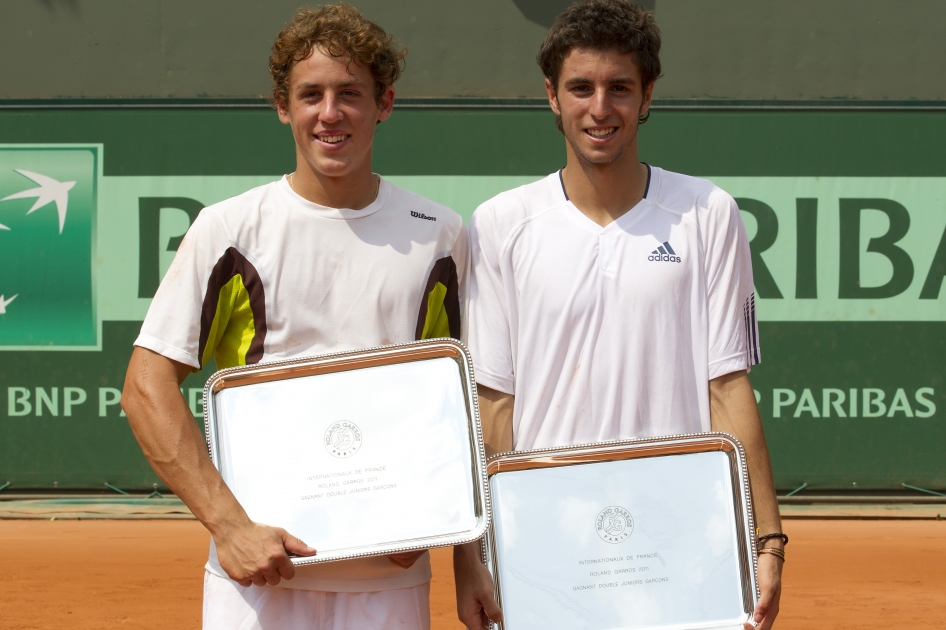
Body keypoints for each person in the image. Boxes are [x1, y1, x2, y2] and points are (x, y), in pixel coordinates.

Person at [121, 5, 467, 629]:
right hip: (261, 577)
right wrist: (230, 527)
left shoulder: (440, 234)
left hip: (391, 581)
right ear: (284, 106)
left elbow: (464, 403)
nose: (330, 114)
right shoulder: (229, 229)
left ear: (385, 103)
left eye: (350, 94)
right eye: (311, 95)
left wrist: (446, 524)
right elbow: (146, 385)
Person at [454, 1, 783, 629]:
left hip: (683, 539)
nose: (599, 108)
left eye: (619, 88)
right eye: (581, 87)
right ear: (551, 95)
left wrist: (767, 539)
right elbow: (494, 404)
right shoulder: (501, 224)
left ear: (648, 94)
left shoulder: (708, 212)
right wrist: (476, 554)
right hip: (546, 541)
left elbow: (729, 387)